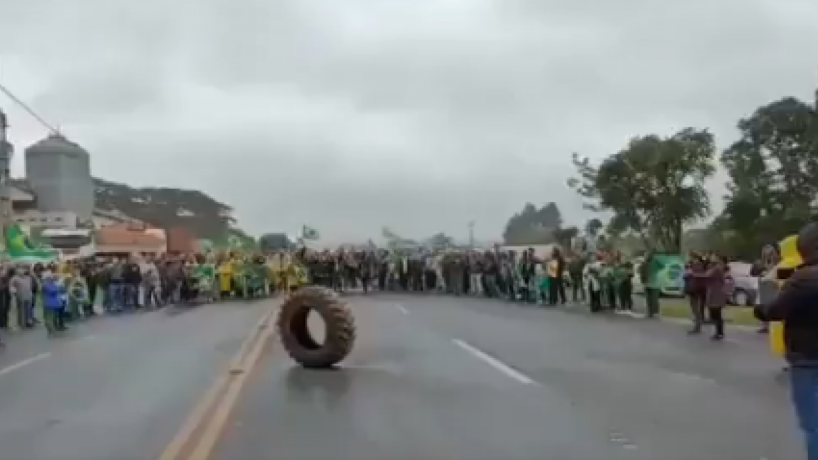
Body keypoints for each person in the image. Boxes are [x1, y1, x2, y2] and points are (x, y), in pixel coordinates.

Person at [755, 223, 818, 460]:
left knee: (813, 424)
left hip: (806, 357)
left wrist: (761, 306)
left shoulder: (798, 275)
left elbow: (773, 307)